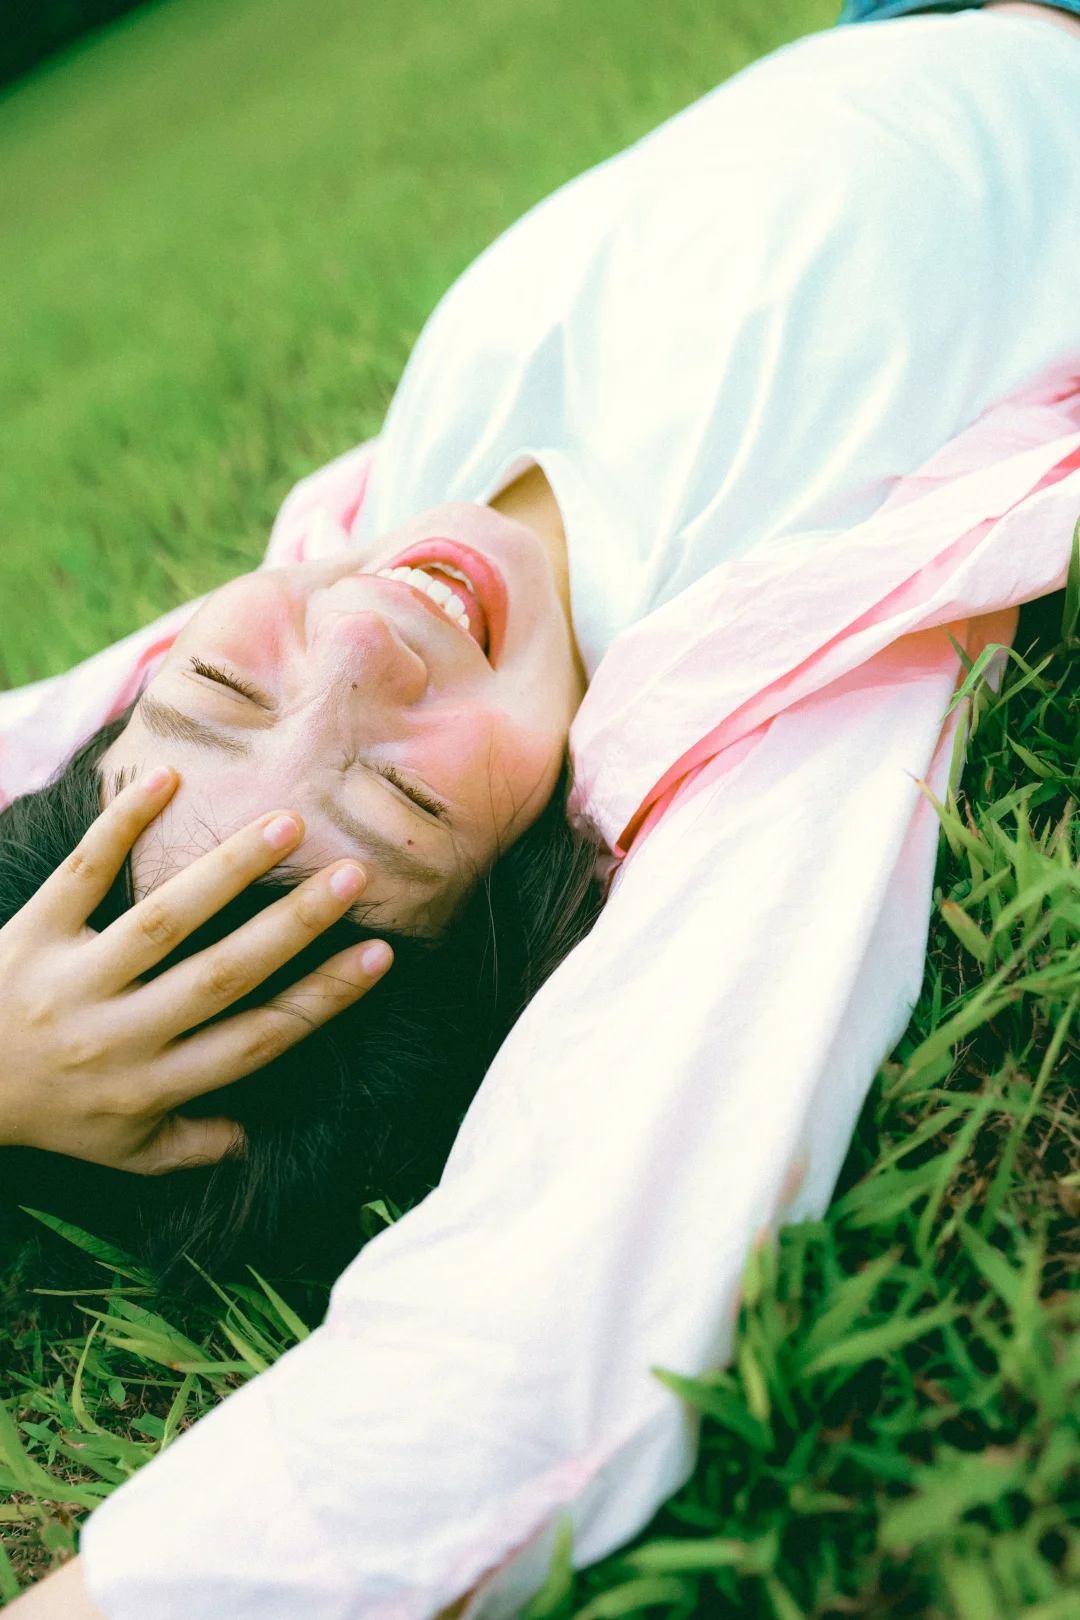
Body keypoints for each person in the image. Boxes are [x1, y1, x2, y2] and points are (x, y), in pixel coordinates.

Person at [7, 1, 1080, 1615]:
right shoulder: (740, 671)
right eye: (391, 795)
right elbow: (534, 1334)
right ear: (534, 886)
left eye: (213, 695)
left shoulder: (369, 528)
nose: (361, 642)